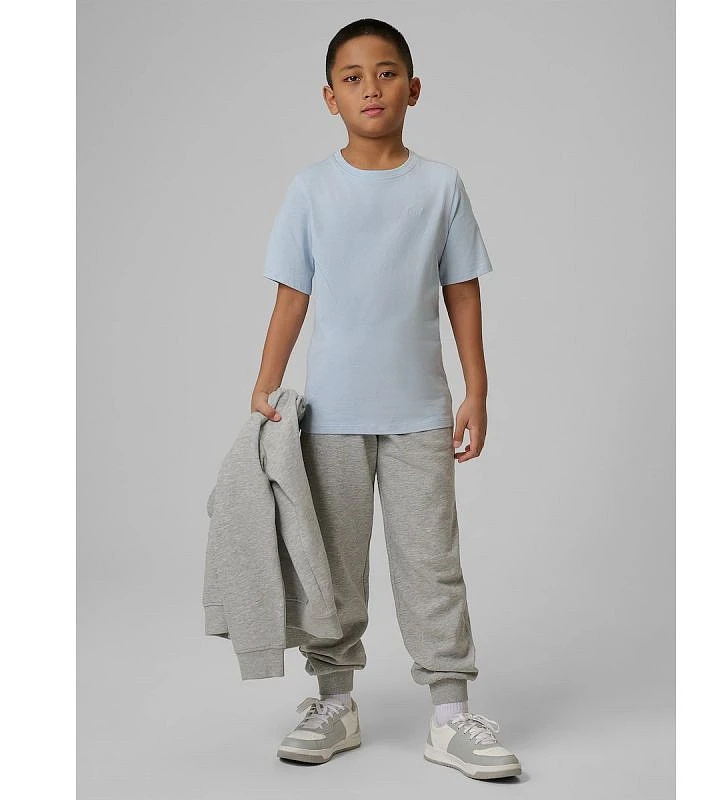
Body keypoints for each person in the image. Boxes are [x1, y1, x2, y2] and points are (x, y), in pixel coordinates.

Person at [250, 18, 522, 781]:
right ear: (330, 97)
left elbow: (461, 291)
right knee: (332, 569)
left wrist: (477, 390)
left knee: (432, 565)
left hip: (421, 416)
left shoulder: (440, 187)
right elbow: (292, 296)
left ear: (413, 87)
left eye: (386, 72)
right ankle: (334, 703)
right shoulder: (311, 189)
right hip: (330, 420)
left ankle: (450, 716)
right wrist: (264, 388)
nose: (371, 87)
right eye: (353, 77)